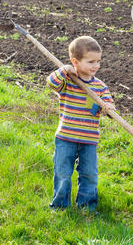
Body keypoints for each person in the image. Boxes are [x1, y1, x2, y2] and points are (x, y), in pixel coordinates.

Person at [47, 36, 115, 213]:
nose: (96, 66)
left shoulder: (100, 87)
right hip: (66, 137)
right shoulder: (68, 82)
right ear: (75, 61)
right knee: (62, 173)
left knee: (89, 174)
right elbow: (51, 83)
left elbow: (110, 107)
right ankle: (60, 205)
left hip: (89, 139)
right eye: (91, 61)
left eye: (98, 61)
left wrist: (108, 108)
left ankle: (87, 206)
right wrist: (64, 70)